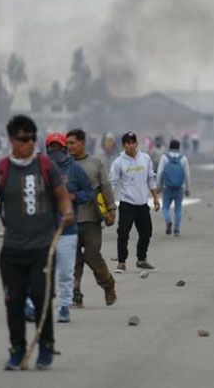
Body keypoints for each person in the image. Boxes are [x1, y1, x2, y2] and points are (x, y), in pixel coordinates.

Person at [0, 115, 74, 370]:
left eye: (32, 137)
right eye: (24, 138)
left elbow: (61, 195)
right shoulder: (1, 170)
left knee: (41, 297)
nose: (30, 143)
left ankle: (46, 346)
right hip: (13, 250)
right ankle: (17, 350)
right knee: (14, 302)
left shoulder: (45, 166)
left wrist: (68, 211)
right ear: (12, 140)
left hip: (42, 248)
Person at [44, 133, 94, 323]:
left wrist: (73, 197)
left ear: (65, 149)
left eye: (59, 147)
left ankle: (64, 306)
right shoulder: (41, 168)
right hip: (43, 231)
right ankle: (37, 305)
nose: (55, 151)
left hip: (67, 230)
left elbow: (89, 191)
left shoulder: (74, 169)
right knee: (42, 271)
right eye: (52, 147)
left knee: (65, 272)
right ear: (47, 148)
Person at [66, 128, 117, 308]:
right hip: (69, 221)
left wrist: (111, 210)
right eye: (68, 143)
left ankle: (108, 284)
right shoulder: (64, 165)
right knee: (74, 260)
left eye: (72, 143)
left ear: (82, 142)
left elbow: (106, 186)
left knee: (92, 255)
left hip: (91, 219)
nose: (69, 146)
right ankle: (76, 296)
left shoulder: (96, 163)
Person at [109, 131, 160, 273]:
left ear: (137, 143)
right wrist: (109, 202)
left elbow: (151, 178)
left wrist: (155, 198)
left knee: (146, 233)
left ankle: (141, 260)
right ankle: (121, 262)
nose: (131, 145)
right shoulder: (118, 162)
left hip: (142, 203)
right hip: (127, 204)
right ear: (124, 145)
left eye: (133, 142)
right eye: (128, 143)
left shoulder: (145, 158)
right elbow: (113, 183)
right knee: (123, 234)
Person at [156, 139, 191, 237]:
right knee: (178, 208)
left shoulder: (164, 158)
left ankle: (168, 221)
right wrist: (188, 188)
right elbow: (187, 175)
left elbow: (159, 173)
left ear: (170, 147)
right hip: (180, 188)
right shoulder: (183, 158)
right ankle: (176, 229)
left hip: (167, 187)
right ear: (179, 147)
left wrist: (158, 186)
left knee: (165, 207)